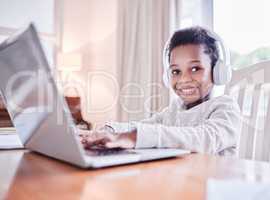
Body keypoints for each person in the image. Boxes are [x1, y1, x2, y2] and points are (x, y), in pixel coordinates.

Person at [80, 26, 241, 156]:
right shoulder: (174, 110)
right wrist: (106, 131)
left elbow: (203, 138)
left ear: (217, 71)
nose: (184, 79)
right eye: (176, 71)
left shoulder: (225, 107)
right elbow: (143, 126)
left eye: (195, 68)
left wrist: (135, 137)